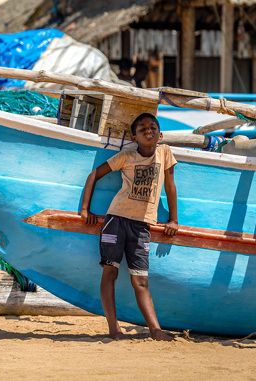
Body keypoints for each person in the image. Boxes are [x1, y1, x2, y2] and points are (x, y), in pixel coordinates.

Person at [80, 112, 178, 341]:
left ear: (160, 134)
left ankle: (155, 330)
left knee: (140, 279)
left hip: (142, 226)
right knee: (110, 271)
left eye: (152, 126)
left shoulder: (165, 153)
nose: (148, 130)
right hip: (116, 220)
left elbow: (171, 188)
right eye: (142, 128)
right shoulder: (126, 156)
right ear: (134, 136)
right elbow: (94, 174)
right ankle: (113, 329)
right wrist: (85, 209)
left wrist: (173, 219)